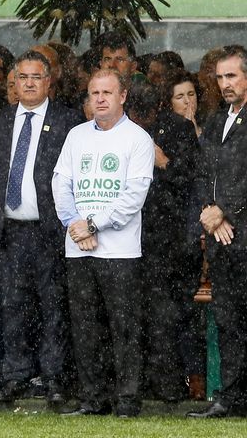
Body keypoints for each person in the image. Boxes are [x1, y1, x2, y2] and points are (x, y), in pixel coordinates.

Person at [53, 69, 154, 417]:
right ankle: (93, 399)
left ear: (122, 96)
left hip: (121, 251)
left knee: (124, 328)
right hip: (78, 248)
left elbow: (133, 196)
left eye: (107, 92)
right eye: (94, 92)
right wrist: (74, 224)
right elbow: (60, 182)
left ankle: (126, 400)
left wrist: (94, 223)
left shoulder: (137, 139)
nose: (99, 98)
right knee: (85, 328)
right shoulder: (76, 136)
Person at [0, 51, 81, 408]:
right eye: (22, 77)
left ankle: (53, 376)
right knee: (11, 306)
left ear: (48, 82)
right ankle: (15, 375)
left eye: (35, 77)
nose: (28, 83)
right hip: (8, 231)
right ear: (14, 83)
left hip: (49, 230)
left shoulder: (68, 121)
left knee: (52, 306)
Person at [125, 82, 200, 403]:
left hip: (167, 239)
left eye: (146, 111)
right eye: (135, 111)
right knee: (128, 314)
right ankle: (134, 383)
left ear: (158, 107)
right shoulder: (119, 128)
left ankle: (167, 384)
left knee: (164, 317)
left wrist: (164, 162)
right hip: (125, 234)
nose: (140, 117)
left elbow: (191, 179)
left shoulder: (179, 129)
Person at [189, 45, 247, 418]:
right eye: (221, 77)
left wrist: (224, 209)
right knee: (228, 320)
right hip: (224, 240)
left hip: (237, 230)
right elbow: (200, 173)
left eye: (232, 76)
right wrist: (210, 213)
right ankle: (232, 398)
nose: (225, 83)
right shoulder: (213, 121)